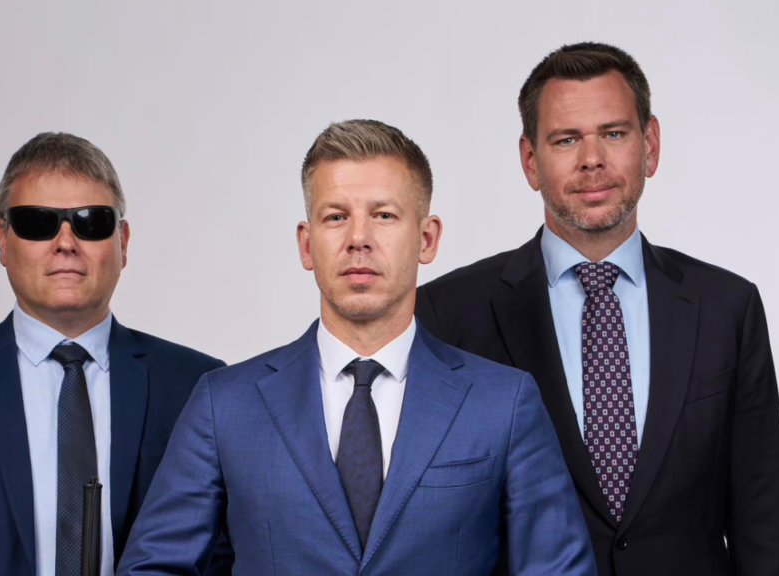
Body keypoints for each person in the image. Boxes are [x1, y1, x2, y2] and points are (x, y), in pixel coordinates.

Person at [116, 119, 595, 576]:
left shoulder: (504, 403)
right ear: (307, 244)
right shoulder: (223, 404)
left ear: (426, 239)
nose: (358, 239)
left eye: (383, 215)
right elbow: (154, 567)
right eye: (336, 217)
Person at [415, 42, 779, 576]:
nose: (591, 159)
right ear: (530, 160)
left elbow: (764, 525)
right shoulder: (449, 313)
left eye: (614, 134)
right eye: (566, 139)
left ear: (650, 145)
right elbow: (433, 530)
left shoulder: (727, 308)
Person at [0, 132, 229, 576]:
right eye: (36, 222)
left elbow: (226, 555)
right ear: (2, 239)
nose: (65, 242)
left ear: (123, 241)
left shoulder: (196, 386)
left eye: (91, 221)